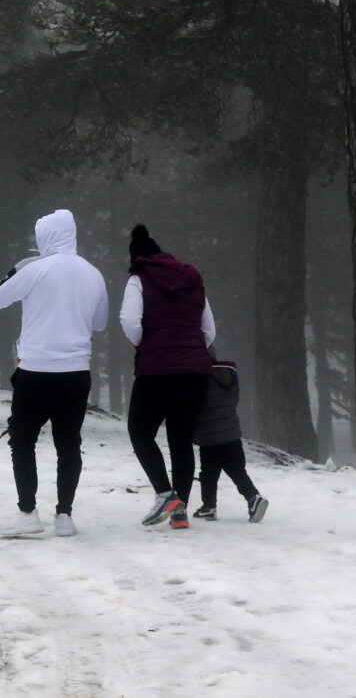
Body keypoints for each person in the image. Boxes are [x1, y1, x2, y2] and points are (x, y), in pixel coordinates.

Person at [0, 209, 111, 538]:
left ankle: (28, 513)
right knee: (69, 445)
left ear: (45, 237)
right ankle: (65, 517)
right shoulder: (93, 274)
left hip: (36, 373)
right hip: (76, 374)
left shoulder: (36, 270)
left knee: (23, 440)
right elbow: (100, 323)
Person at [120, 224, 215, 529]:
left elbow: (129, 320)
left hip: (157, 369)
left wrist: (146, 344)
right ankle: (180, 511)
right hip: (196, 372)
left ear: (137, 257)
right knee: (182, 440)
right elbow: (209, 330)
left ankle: (164, 493)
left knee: (139, 430)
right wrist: (190, 349)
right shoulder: (192, 277)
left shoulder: (138, 278)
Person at [194, 350, 269, 523]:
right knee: (237, 471)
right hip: (232, 433)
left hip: (210, 436)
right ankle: (253, 498)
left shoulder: (200, 378)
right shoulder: (228, 375)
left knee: (208, 475)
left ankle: (208, 507)